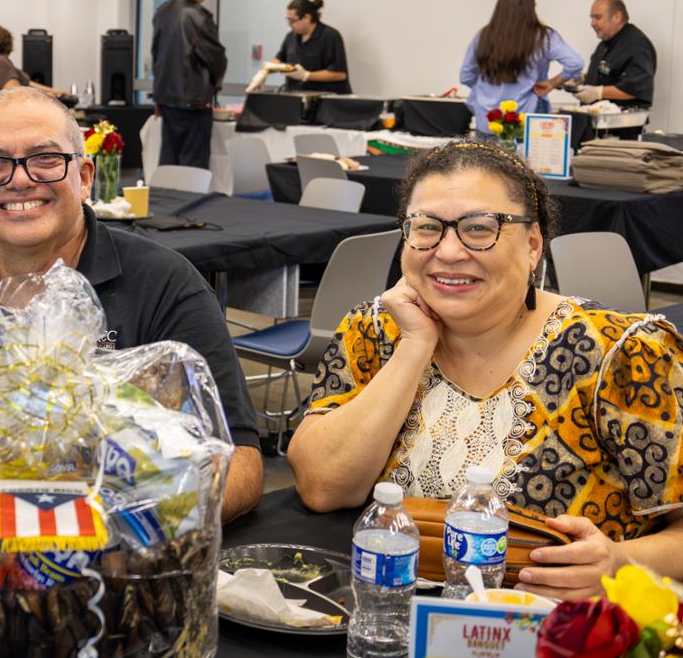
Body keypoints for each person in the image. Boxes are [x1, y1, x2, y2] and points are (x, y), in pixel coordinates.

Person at [287, 139, 683, 601]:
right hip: (384, 615)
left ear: (533, 244)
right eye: (427, 227)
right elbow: (321, 487)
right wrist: (415, 347)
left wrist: (618, 562)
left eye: (480, 229)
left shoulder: (620, 353)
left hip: (557, 631)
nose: (449, 251)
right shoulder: (376, 328)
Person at [0, 86, 263, 522]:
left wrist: (104, 530)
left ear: (85, 177)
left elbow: (241, 466)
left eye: (45, 159)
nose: (19, 179)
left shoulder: (165, 286)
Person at [459, 0, 584, 133]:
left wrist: (487, 91)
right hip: (524, 124)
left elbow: (466, 76)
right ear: (531, 7)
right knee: (525, 157)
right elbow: (575, 62)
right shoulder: (543, 37)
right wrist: (552, 83)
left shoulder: (483, 36)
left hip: (487, 123)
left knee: (487, 156)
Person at [151, 0, 227, 169]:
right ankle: (191, 200)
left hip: (167, 100)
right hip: (194, 101)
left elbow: (156, 56)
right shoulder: (198, 16)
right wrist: (216, 82)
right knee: (194, 167)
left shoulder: (162, 13)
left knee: (169, 161)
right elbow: (215, 57)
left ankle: (166, 197)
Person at [251, 0, 351, 94]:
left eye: (292, 20)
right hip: (296, 98)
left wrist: (306, 75)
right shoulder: (291, 37)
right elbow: (279, 59)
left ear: (307, 17)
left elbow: (339, 74)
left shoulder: (329, 36)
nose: (289, 24)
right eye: (288, 20)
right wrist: (265, 71)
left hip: (325, 102)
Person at [575, 0, 656, 108]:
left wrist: (598, 92)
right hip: (596, 120)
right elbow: (609, 72)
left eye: (597, 18)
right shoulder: (607, 41)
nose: (592, 23)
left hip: (622, 122)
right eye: (592, 18)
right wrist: (582, 78)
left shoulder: (636, 45)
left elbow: (637, 86)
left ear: (617, 17)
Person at [0, 25, 67, 104]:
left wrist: (56, 92)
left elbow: (28, 83)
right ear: (6, 43)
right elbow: (16, 93)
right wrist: (48, 98)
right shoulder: (0, 63)